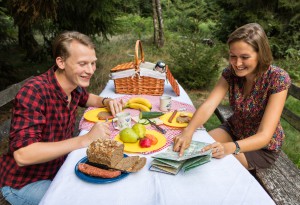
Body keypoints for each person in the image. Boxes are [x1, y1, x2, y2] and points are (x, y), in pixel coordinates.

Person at [0, 31, 124, 204]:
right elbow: (23, 155)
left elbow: (87, 98)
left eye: (93, 63)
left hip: (58, 168)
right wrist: (85, 139)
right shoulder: (35, 92)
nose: (90, 70)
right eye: (82, 64)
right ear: (61, 62)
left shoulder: (72, 85)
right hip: (25, 183)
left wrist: (106, 101)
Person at [173, 23, 291, 170]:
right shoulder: (230, 73)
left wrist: (230, 147)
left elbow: (264, 135)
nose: (237, 63)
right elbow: (209, 105)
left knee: (213, 164)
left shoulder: (277, 78)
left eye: (245, 57)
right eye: (233, 56)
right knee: (194, 148)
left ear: (261, 55)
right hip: (234, 129)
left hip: (260, 147)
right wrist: (188, 131)